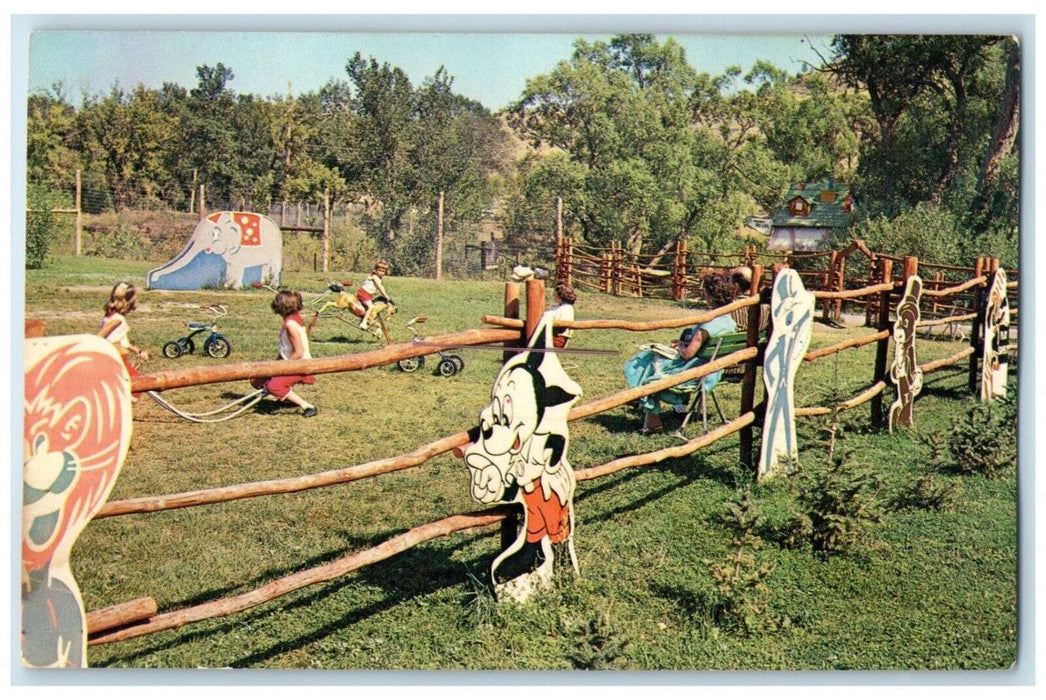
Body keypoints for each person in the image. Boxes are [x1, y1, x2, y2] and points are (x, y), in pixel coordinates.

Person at [623, 273, 739, 434]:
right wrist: (684, 344)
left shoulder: (707, 324)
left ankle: (650, 417)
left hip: (695, 371)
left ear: (711, 297)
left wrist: (680, 348)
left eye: (705, 293)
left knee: (648, 360)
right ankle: (640, 401)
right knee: (652, 358)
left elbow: (688, 355)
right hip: (714, 369)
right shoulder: (729, 322)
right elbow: (704, 347)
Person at [252, 290, 318, 418]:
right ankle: (286, 397)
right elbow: (286, 349)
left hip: (300, 365)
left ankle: (307, 406)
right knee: (257, 380)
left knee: (274, 386)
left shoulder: (290, 325)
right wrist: (274, 365)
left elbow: (298, 352)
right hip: (291, 362)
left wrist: (282, 368)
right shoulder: (292, 319)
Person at [98, 281, 149, 399]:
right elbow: (100, 337)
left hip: (118, 359)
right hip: (117, 360)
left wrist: (138, 351)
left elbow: (122, 340)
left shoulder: (109, 317)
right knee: (136, 385)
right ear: (127, 303)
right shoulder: (117, 320)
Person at [357, 260, 393, 330]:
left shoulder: (377, 278)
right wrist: (386, 297)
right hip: (364, 293)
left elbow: (380, 287)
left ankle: (364, 319)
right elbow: (380, 287)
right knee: (371, 307)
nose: (381, 272)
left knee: (369, 307)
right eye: (380, 270)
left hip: (368, 295)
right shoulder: (375, 277)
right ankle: (363, 323)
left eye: (383, 271)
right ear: (375, 270)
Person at [549, 283, 576, 349]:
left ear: (560, 295)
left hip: (557, 338)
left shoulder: (567, 308)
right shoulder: (558, 306)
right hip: (551, 336)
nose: (553, 295)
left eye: (555, 293)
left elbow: (562, 325)